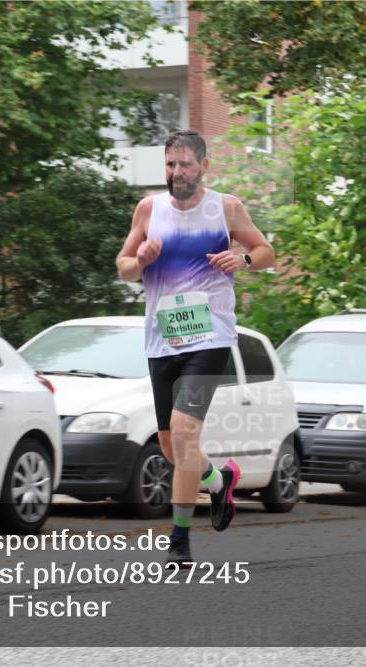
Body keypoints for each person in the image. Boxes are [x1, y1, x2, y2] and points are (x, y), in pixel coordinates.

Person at [116, 130, 275, 565]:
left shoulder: (225, 207)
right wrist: (141, 261)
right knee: (172, 448)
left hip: (211, 337)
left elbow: (266, 252)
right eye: (170, 164)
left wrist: (242, 260)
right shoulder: (149, 208)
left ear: (203, 165)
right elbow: (124, 267)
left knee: (186, 434)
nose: (176, 172)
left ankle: (180, 541)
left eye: (185, 164)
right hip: (162, 340)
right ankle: (220, 480)